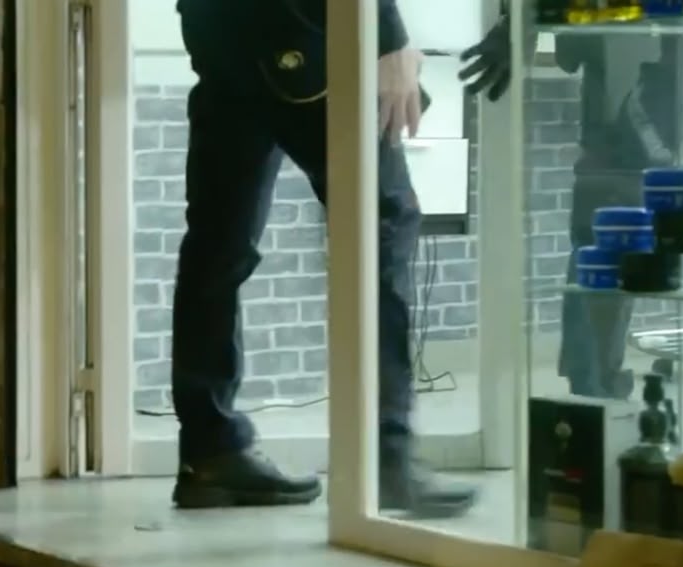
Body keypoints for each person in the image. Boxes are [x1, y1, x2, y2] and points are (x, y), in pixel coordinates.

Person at [168, 0, 479, 517]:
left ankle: (210, 451)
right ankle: (387, 456)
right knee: (383, 221)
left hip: (217, 25)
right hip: (298, 25)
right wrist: (388, 37)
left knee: (217, 244)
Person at [461, 9, 683, 399]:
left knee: (609, 235)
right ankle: (593, 377)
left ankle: (593, 375)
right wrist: (520, 17)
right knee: (612, 234)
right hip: (633, 88)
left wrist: (520, 17)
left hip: (640, 81)